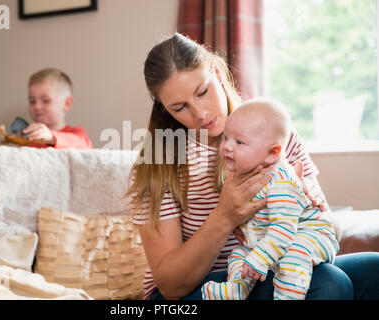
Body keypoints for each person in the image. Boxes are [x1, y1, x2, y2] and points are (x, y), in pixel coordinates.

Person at [127, 32, 379, 300]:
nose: (200, 113)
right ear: (165, 109)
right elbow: (170, 285)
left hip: (270, 269)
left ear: (216, 72)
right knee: (329, 283)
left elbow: (331, 232)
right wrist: (225, 215)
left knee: (374, 269)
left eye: (202, 92)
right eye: (180, 107)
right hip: (194, 290)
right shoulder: (158, 162)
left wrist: (307, 203)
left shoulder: (271, 131)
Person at [201, 98, 339, 300]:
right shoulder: (243, 172)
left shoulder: (282, 182)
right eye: (226, 137)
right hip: (271, 242)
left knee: (293, 259)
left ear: (272, 153)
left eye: (239, 142)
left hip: (309, 236)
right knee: (238, 255)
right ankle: (236, 288)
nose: (227, 147)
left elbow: (283, 230)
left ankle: (287, 297)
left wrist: (260, 258)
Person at [23, 68, 93, 149]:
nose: (37, 106)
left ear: (67, 104)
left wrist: (52, 137)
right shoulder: (28, 139)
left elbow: (84, 145)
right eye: (32, 101)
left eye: (45, 101)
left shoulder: (76, 133)